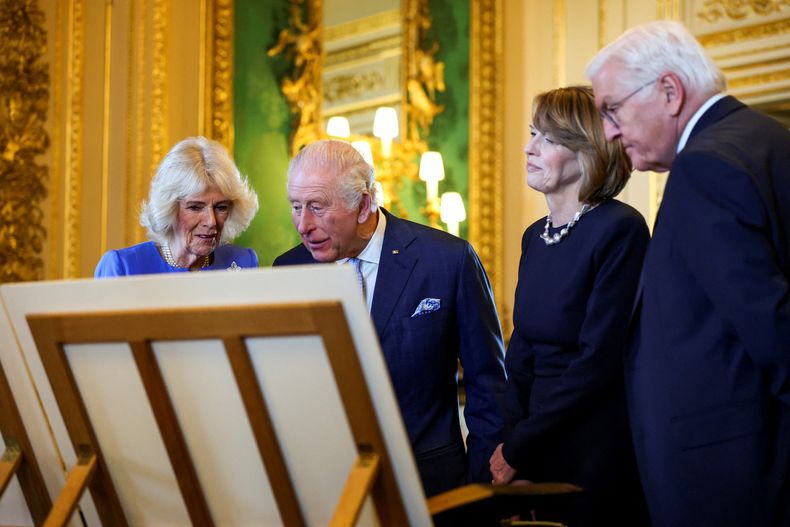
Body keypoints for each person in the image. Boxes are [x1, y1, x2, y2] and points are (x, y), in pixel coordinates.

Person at [587, 21, 790, 526]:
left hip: (731, 476)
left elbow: (772, 324)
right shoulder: (767, 138)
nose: (609, 131)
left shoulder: (705, 167)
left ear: (669, 91)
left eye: (612, 109)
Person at [273, 139, 506, 497]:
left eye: (317, 207)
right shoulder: (288, 269)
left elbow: (488, 385)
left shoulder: (446, 260)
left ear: (363, 205)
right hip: (324, 487)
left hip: (429, 485)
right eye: (295, 206)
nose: (303, 224)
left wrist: (480, 491)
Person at [488, 86, 649, 525]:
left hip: (593, 446)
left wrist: (520, 446)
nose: (529, 148)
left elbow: (597, 361)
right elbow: (521, 352)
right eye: (532, 134)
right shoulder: (534, 236)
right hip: (533, 443)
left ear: (588, 151)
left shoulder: (621, 229)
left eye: (548, 139)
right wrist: (513, 445)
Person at [95, 136, 259, 276]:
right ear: (169, 209)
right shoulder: (123, 267)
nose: (211, 222)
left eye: (221, 207)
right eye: (195, 207)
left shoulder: (243, 262)